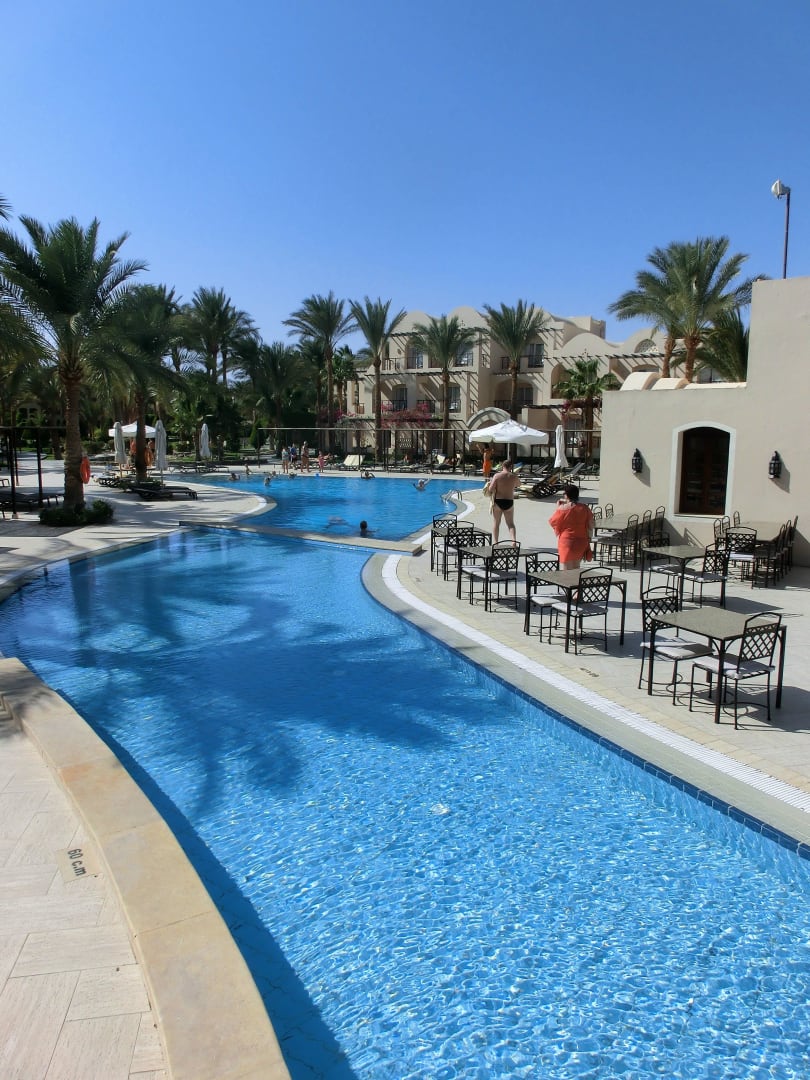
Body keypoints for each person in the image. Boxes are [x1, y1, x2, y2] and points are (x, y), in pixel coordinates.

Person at [548, 484, 594, 570]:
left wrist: (558, 507)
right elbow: (591, 525)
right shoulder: (585, 508)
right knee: (576, 568)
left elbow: (553, 522)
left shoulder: (562, 508)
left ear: (567, 495)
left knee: (566, 570)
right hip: (581, 541)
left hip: (567, 541)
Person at [486, 459, 521, 543]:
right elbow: (519, 485)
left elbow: (491, 489)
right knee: (510, 524)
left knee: (496, 523)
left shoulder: (497, 476)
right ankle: (513, 541)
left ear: (502, 466)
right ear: (511, 467)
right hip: (509, 502)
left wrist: (490, 484)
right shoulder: (514, 476)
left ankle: (496, 543)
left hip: (498, 501)